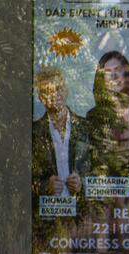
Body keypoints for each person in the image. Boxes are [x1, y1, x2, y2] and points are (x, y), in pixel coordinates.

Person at [33, 67, 88, 198]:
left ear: (66, 90)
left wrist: (83, 183)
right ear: (41, 97)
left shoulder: (84, 127)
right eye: (48, 91)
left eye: (58, 88)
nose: (54, 94)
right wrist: (45, 186)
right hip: (47, 212)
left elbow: (100, 170)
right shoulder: (34, 132)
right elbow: (25, 176)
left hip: (80, 212)